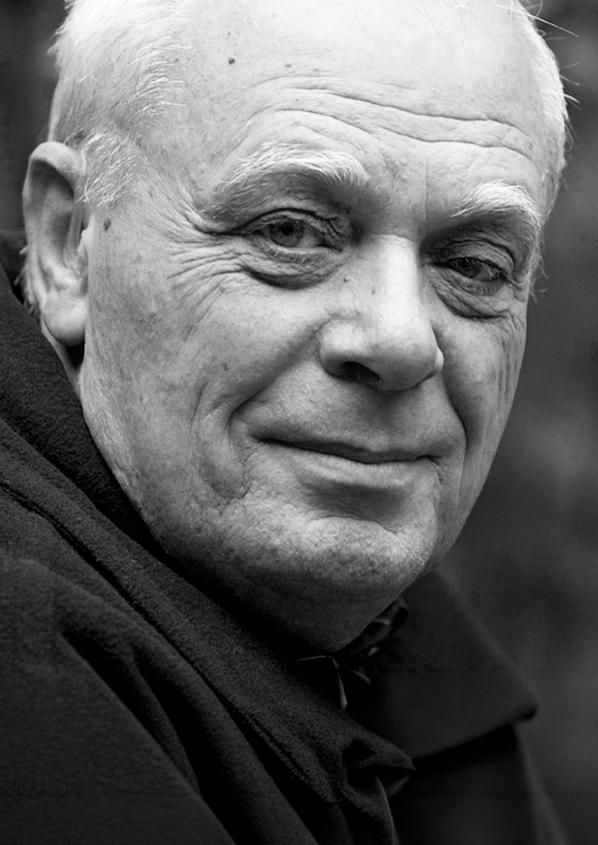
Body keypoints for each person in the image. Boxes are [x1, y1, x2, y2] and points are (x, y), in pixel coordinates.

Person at [0, 0, 570, 842]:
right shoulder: (27, 667)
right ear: (68, 245)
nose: (400, 338)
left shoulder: (377, 630)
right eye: (291, 231)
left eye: (474, 265)